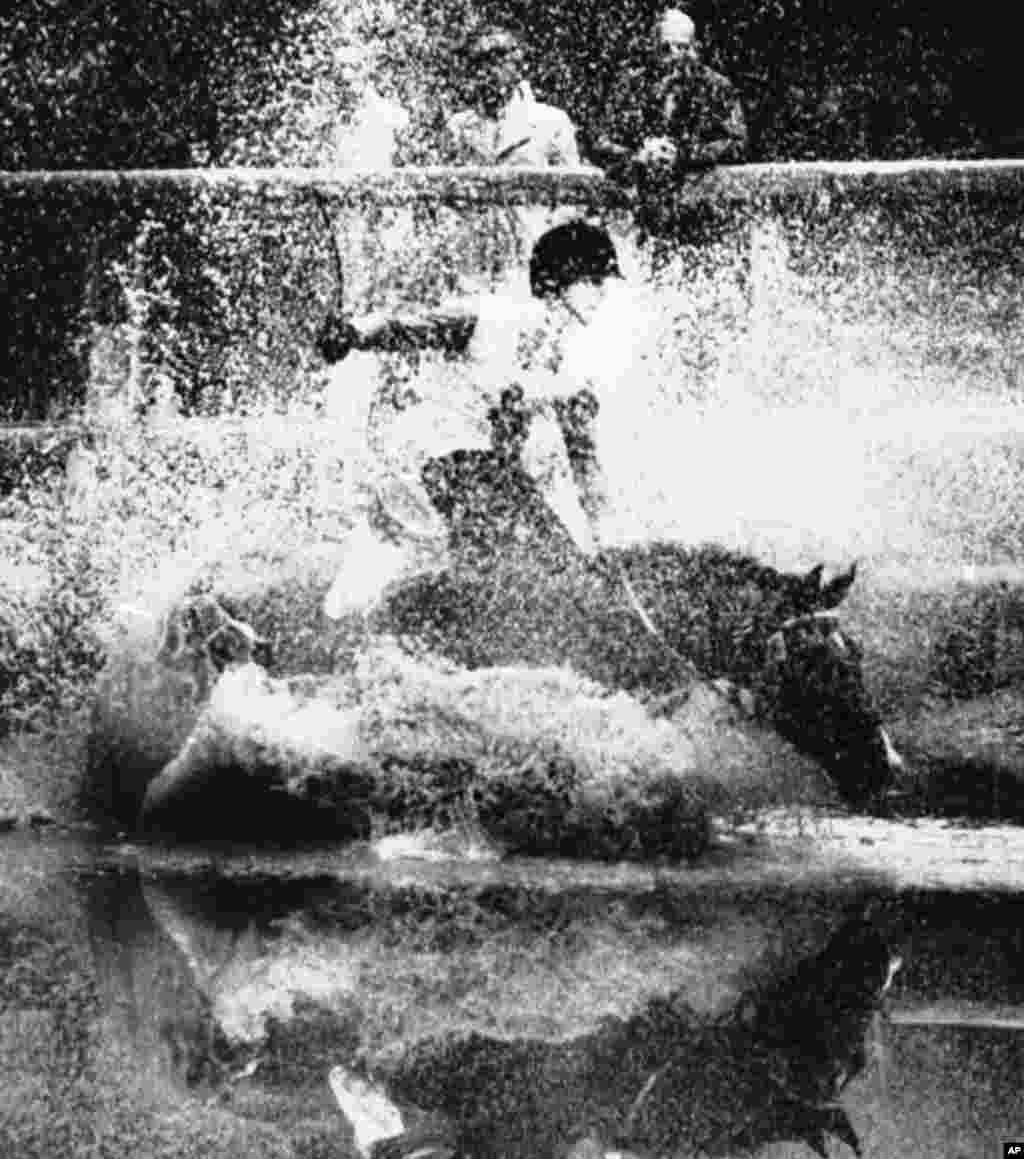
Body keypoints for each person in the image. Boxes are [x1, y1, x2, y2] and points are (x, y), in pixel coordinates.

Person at [316, 219, 641, 620]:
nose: (603, 293)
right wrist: (355, 333)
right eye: (592, 280)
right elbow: (413, 327)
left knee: (557, 570)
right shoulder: (495, 314)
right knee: (551, 574)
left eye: (604, 281)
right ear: (560, 281)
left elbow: (584, 462)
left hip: (481, 477)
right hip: (444, 462)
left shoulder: (575, 366)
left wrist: (609, 545)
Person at [592, 8, 747, 178]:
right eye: (665, 48)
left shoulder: (716, 88)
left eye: (682, 47)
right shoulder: (630, 86)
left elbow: (737, 144)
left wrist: (684, 156)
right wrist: (638, 155)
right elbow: (601, 142)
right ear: (653, 48)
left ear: (695, 48)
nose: (674, 56)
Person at [441, 27, 581, 167]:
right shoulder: (457, 128)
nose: (487, 71)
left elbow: (571, 185)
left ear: (518, 67)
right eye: (479, 62)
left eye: (497, 60)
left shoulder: (552, 123)